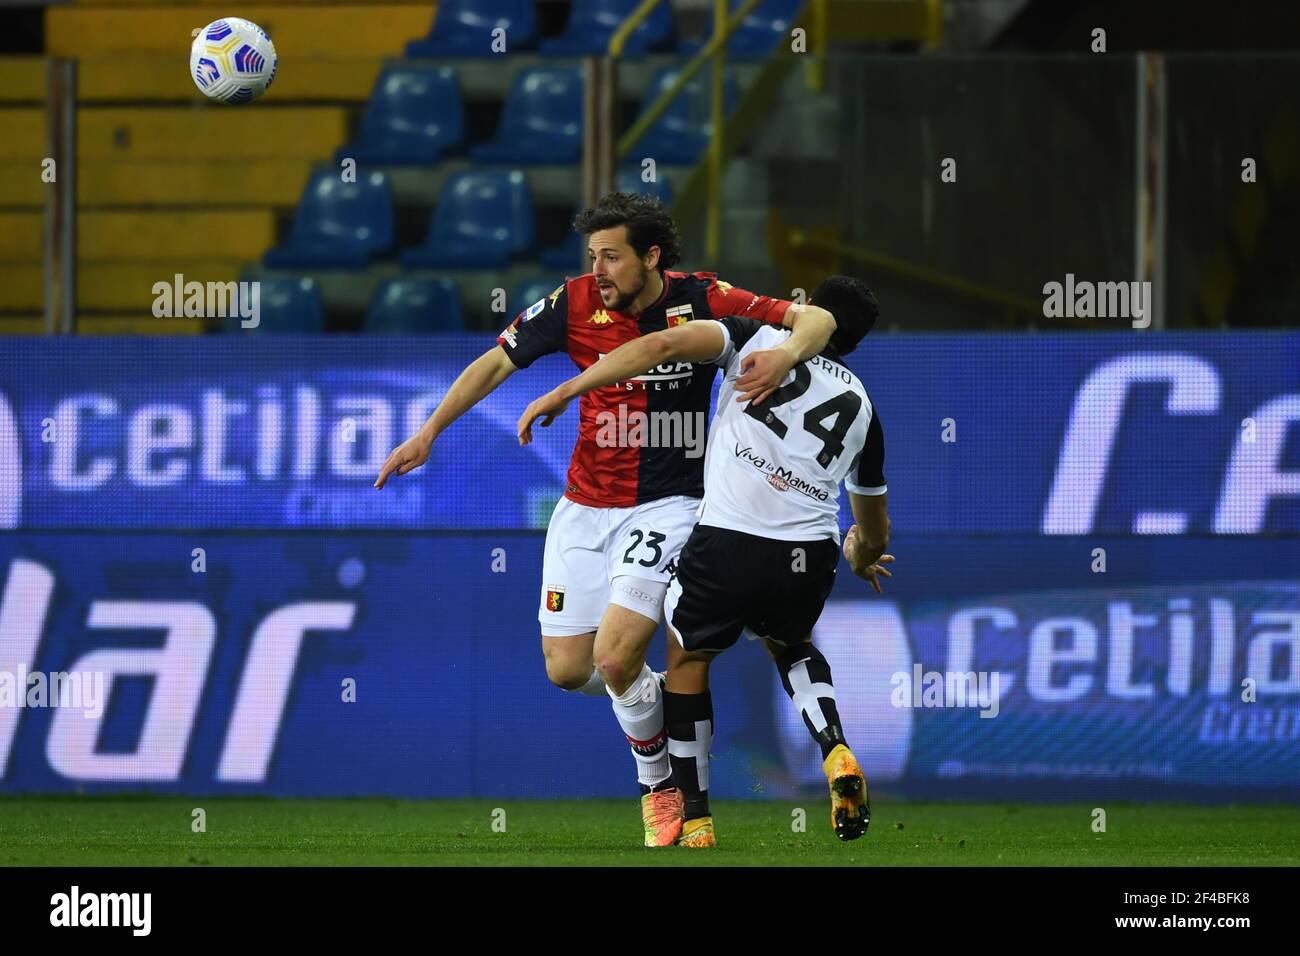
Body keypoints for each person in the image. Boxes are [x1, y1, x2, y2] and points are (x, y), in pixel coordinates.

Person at [375, 192, 838, 846]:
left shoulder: (702, 298)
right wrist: (429, 433)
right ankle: (654, 705)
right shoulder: (573, 303)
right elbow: (494, 363)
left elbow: (812, 317)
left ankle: (657, 784)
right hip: (584, 508)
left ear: (651, 257)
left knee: (615, 656)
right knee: (568, 669)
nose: (599, 271)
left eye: (612, 257)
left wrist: (787, 354)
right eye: (593, 256)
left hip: (671, 505)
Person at [518, 275, 892, 848]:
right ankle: (834, 747)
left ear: (809, 311)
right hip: (809, 555)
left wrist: (571, 389)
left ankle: (694, 818)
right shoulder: (864, 407)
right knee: (789, 644)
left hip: (727, 540)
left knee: (688, 661)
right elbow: (873, 527)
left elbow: (663, 346)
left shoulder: (757, 337)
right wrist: (860, 556)